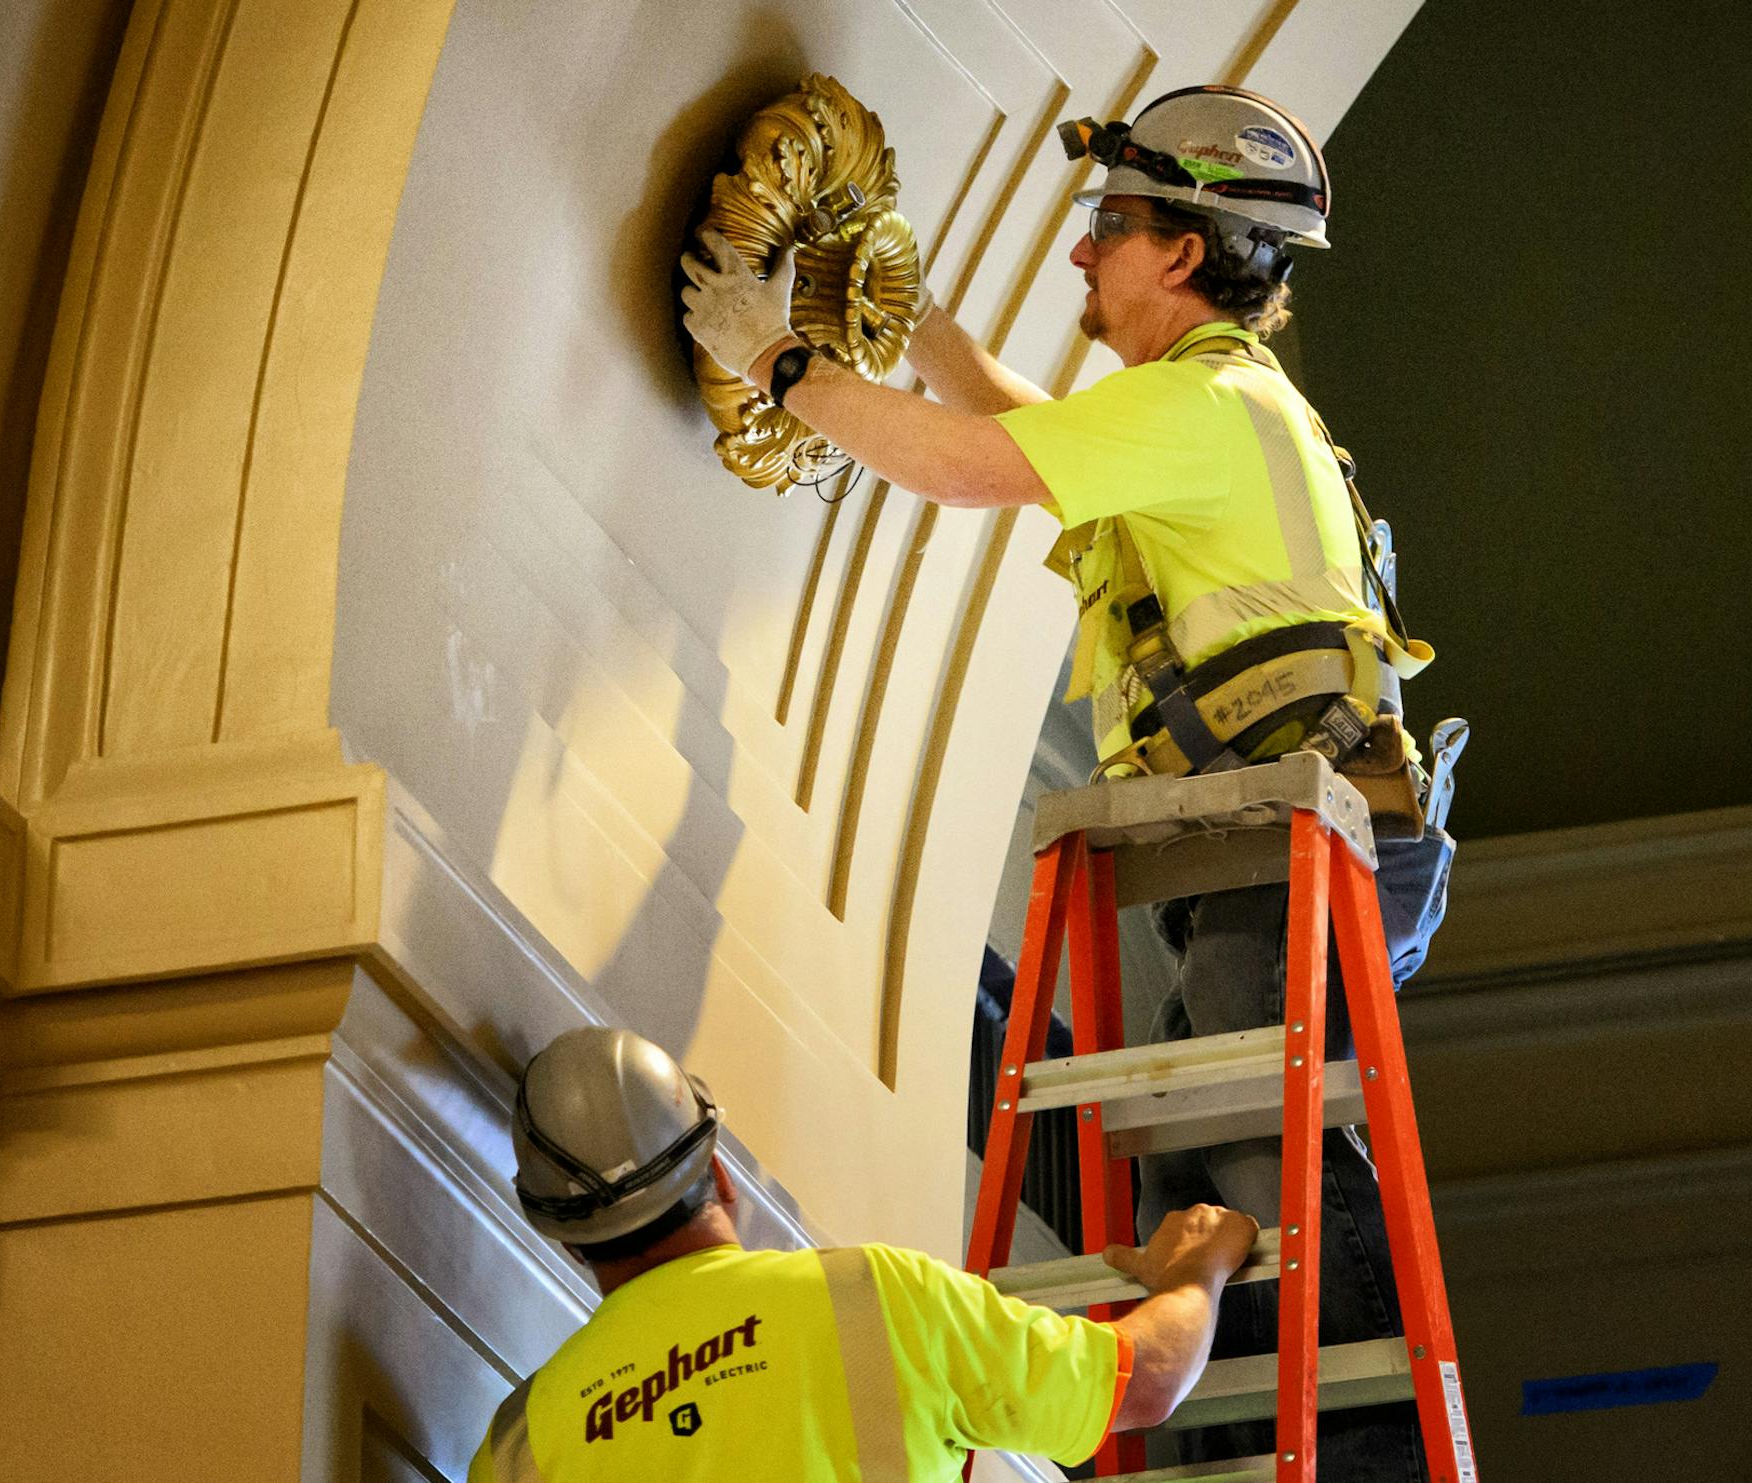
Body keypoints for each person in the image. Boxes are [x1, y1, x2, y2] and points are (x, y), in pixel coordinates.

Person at [681, 85, 1451, 1480]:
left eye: (1112, 224)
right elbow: (1039, 450)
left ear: (1182, 251)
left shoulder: (1206, 403)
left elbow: (982, 470)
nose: (1084, 251)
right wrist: (919, 331)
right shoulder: (1213, 408)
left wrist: (785, 363)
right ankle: (1241, 1418)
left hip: (1285, 839)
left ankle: (1369, 1449)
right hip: (1280, 839)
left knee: (1247, 1145)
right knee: (1187, 1177)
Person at [470, 1026, 1260, 1481]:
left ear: (568, 1240)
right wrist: (1197, 1268)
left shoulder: (519, 1445)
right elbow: (1145, 1380)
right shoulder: (874, 1294)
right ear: (716, 1171)